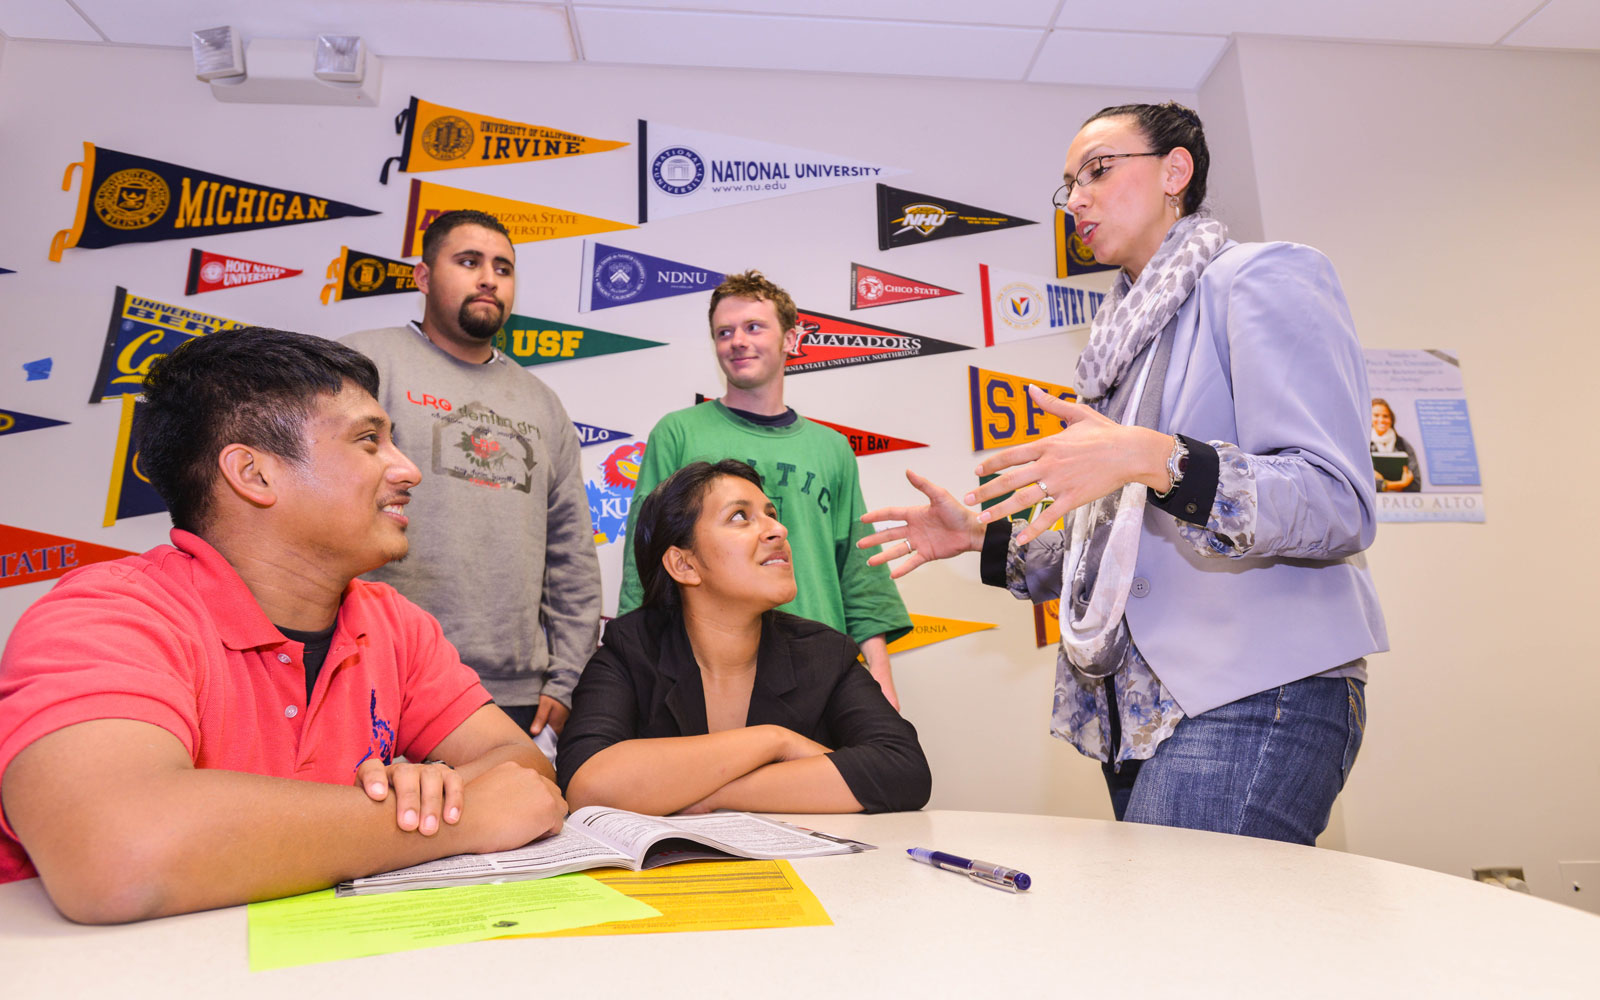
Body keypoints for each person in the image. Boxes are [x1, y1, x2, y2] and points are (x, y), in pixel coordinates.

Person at [859, 102, 1386, 845]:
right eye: (1069, 184)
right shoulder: (1117, 347)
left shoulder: (1260, 277)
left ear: (1177, 171)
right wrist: (979, 539)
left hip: (1252, 691)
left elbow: (1336, 503)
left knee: (1184, 949)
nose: (1076, 199)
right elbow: (1118, 553)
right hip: (1134, 712)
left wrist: (1159, 457)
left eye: (1099, 171)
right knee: (1168, 952)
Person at [0, 328, 567, 923]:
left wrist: (430, 795)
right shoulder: (108, 616)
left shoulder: (395, 622)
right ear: (254, 474)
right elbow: (115, 852)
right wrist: (452, 820)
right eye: (369, 441)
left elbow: (518, 768)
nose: (408, 471)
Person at [343, 210, 601, 746]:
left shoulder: (541, 403)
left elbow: (570, 549)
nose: (489, 277)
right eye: (468, 262)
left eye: (503, 268)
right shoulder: (365, 363)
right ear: (423, 276)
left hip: (511, 693)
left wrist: (568, 675)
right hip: (375, 668)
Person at [559, 460, 930, 815]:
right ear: (684, 565)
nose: (778, 530)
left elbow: (903, 771)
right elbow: (586, 785)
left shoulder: (824, 653)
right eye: (740, 517)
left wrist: (714, 795)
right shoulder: (629, 651)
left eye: (771, 514)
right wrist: (774, 741)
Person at [616, 271, 912, 708]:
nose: (737, 340)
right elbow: (645, 561)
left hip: (818, 665)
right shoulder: (678, 433)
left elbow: (858, 566)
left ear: (791, 339)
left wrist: (880, 674)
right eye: (724, 332)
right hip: (705, 669)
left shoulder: (831, 449)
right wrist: (634, 665)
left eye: (754, 327)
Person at [1370, 397, 1421, 492]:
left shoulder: (1403, 444)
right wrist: (1402, 484)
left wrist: (1383, 484)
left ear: (1391, 419)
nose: (1381, 420)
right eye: (1376, 415)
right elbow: (1366, 484)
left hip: (1400, 503)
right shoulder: (1364, 444)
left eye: (1385, 416)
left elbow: (1415, 485)